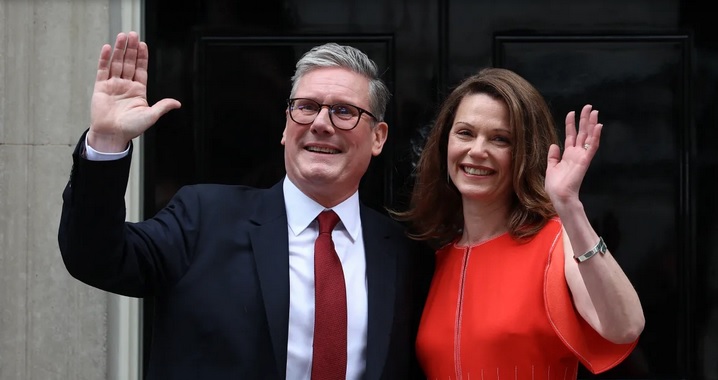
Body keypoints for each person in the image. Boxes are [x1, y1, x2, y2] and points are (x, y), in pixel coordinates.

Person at [58, 31, 433, 380]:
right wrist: (106, 140)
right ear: (286, 127)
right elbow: (95, 257)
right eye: (306, 107)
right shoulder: (204, 217)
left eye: (344, 112)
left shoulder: (403, 253)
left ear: (378, 137)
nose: (321, 123)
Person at [392, 67, 645, 379]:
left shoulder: (555, 242)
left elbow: (625, 326)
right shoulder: (437, 257)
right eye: (466, 133)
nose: (477, 150)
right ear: (446, 142)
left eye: (500, 139)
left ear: (525, 152)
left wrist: (568, 207)